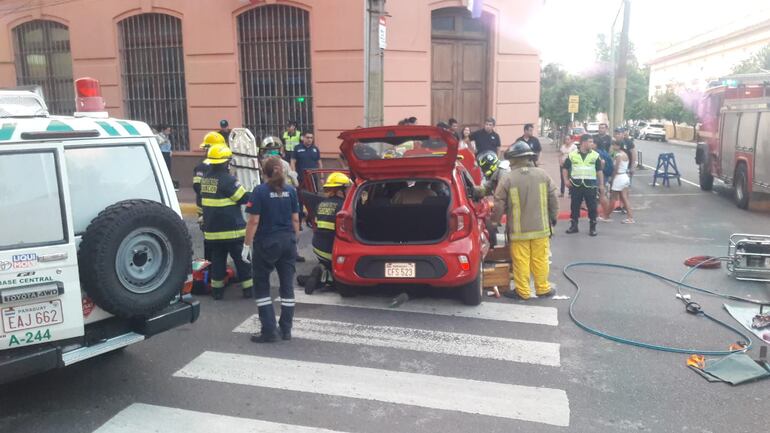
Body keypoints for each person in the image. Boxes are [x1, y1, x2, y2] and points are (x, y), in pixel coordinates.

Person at [242, 157, 300, 343]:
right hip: (288, 242)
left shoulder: (259, 191)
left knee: (261, 285)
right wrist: (294, 240)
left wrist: (246, 244)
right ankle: (286, 330)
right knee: (287, 286)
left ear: (264, 172)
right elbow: (296, 220)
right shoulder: (291, 190)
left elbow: (253, 221)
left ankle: (269, 330)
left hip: (266, 243)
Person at [491, 141, 559, 300]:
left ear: (513, 160)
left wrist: (494, 222)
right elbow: (553, 199)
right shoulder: (543, 175)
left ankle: (523, 291)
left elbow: (498, 203)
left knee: (521, 261)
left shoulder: (508, 178)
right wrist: (553, 217)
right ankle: (543, 289)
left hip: (519, 231)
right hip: (541, 229)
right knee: (540, 259)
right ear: (529, 157)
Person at [199, 144, 253, 299]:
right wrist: (254, 191)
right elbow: (242, 198)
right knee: (242, 260)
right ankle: (248, 290)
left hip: (212, 232)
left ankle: (217, 291)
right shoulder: (228, 179)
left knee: (217, 262)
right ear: (226, 162)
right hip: (232, 231)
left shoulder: (206, 179)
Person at [306, 172, 352, 293]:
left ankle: (322, 269)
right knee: (344, 283)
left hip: (317, 247)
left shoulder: (320, 204)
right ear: (340, 190)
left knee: (327, 264)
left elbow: (315, 226)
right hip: (332, 250)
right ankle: (325, 277)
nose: (348, 191)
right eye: (347, 188)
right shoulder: (344, 206)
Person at [193, 131, 227, 261]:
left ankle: (212, 270)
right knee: (214, 242)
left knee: (211, 241)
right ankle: (212, 270)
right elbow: (198, 187)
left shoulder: (204, 165)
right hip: (209, 210)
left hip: (207, 210)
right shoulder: (204, 166)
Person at [562, 134, 604, 236]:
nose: (592, 144)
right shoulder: (572, 155)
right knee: (574, 206)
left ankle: (592, 227)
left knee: (592, 207)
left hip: (590, 185)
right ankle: (574, 226)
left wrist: (601, 184)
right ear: (583, 142)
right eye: (590, 142)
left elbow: (599, 171)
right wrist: (566, 180)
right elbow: (565, 168)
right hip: (576, 185)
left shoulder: (595, 155)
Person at [600, 140, 635, 224]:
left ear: (618, 146)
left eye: (614, 145)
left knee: (613, 198)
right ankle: (630, 217)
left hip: (619, 177)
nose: (612, 147)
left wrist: (612, 178)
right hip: (624, 177)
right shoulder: (625, 154)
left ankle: (606, 216)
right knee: (624, 198)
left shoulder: (619, 155)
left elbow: (616, 169)